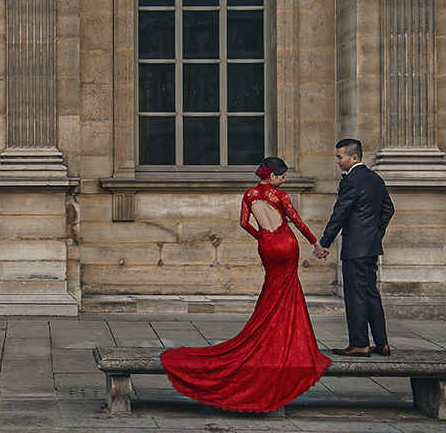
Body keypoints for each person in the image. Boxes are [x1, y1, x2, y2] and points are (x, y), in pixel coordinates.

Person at [160, 157, 331, 413]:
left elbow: (243, 223)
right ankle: (282, 334)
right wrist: (316, 244)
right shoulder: (279, 195)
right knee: (287, 288)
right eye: (282, 176)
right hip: (286, 244)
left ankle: (267, 327)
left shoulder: (250, 195)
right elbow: (296, 221)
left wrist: (261, 236)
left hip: (267, 245)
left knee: (273, 287)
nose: (284, 180)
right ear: (272, 176)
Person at [313, 138, 394, 357]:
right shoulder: (375, 178)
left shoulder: (351, 181)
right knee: (371, 293)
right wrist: (375, 234)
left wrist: (324, 243)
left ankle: (359, 344)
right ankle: (381, 343)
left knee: (356, 295)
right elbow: (388, 209)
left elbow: (340, 214)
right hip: (371, 247)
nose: (337, 161)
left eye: (340, 157)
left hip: (356, 248)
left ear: (354, 157)